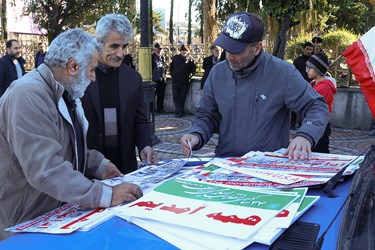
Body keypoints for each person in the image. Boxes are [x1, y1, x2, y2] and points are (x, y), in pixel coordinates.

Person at [0, 28, 142, 240]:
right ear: (73, 67)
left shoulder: (63, 92)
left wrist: (99, 165)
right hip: (22, 219)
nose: (93, 78)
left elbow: (68, 145)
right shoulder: (27, 95)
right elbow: (46, 169)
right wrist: (105, 194)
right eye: (92, 70)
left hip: (50, 212)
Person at [180, 12, 329, 160]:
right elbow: (207, 115)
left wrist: (305, 135)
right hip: (226, 162)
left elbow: (317, 106)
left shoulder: (282, 73)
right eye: (227, 48)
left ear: (257, 48)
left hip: (268, 166)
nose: (229, 56)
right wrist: (196, 134)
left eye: (237, 50)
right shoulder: (217, 73)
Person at [82, 14, 158, 175]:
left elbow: (140, 119)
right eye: (114, 46)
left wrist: (145, 145)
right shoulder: (80, 76)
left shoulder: (133, 78)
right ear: (98, 43)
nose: (120, 53)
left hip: (125, 165)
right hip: (87, 168)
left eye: (124, 47)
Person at [307, 53, 337, 153]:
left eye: (309, 67)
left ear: (317, 69)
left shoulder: (325, 88)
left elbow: (315, 106)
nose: (306, 70)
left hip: (321, 123)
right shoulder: (313, 84)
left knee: (320, 150)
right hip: (313, 121)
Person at [291, 41, 314, 130]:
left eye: (311, 50)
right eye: (307, 49)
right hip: (298, 85)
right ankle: (293, 123)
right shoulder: (297, 60)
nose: (309, 51)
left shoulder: (313, 60)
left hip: (310, 85)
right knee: (295, 105)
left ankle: (302, 123)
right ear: (303, 49)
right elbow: (293, 72)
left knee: (307, 106)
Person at [170, 44, 196, 118]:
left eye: (185, 51)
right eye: (182, 51)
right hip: (175, 81)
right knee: (176, 97)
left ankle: (179, 111)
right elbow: (171, 67)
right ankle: (179, 111)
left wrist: (190, 76)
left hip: (185, 82)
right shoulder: (175, 58)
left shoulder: (190, 60)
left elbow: (193, 69)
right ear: (180, 51)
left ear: (188, 52)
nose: (184, 53)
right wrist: (172, 74)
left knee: (182, 97)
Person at [152, 43, 167, 114]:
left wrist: (164, 76)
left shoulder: (162, 57)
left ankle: (160, 109)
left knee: (161, 95)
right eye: (158, 48)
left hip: (162, 79)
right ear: (154, 48)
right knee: (152, 96)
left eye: (160, 49)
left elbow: (164, 67)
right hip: (154, 80)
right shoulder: (151, 57)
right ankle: (152, 110)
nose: (159, 50)